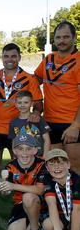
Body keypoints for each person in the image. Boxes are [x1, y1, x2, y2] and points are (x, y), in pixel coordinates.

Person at [0, 43, 43, 218]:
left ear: (19, 57)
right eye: (6, 56)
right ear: (2, 58)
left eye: (13, 56)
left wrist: (36, 114)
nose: (9, 59)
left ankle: (24, 201)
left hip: (19, 129)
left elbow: (38, 102)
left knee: (22, 164)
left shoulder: (28, 78)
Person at [34, 21, 80, 173]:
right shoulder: (48, 59)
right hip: (50, 121)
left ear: (74, 38)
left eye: (66, 37)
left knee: (74, 166)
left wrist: (76, 126)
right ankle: (60, 197)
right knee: (55, 167)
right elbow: (33, 81)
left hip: (71, 122)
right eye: (58, 37)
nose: (62, 41)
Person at [0, 134, 47, 230]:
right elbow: (5, 194)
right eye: (20, 149)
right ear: (14, 151)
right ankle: (40, 223)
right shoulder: (10, 167)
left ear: (35, 150)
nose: (24, 153)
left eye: (28, 149)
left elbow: (40, 190)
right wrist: (4, 188)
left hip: (43, 203)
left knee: (28, 197)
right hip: (21, 203)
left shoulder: (42, 165)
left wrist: (13, 186)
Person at [41, 149, 80, 230]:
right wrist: (57, 229)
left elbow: (77, 210)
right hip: (66, 216)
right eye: (52, 164)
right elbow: (51, 203)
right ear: (47, 168)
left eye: (61, 163)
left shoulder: (77, 181)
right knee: (48, 224)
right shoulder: (48, 179)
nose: (56, 167)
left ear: (68, 165)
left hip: (78, 216)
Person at [8, 90, 51, 157]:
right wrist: (15, 156)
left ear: (31, 103)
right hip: (22, 157)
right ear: (15, 104)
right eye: (19, 103)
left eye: (26, 102)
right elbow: (14, 141)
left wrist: (45, 156)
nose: (22, 105)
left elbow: (47, 139)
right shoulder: (14, 122)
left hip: (38, 156)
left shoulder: (38, 119)